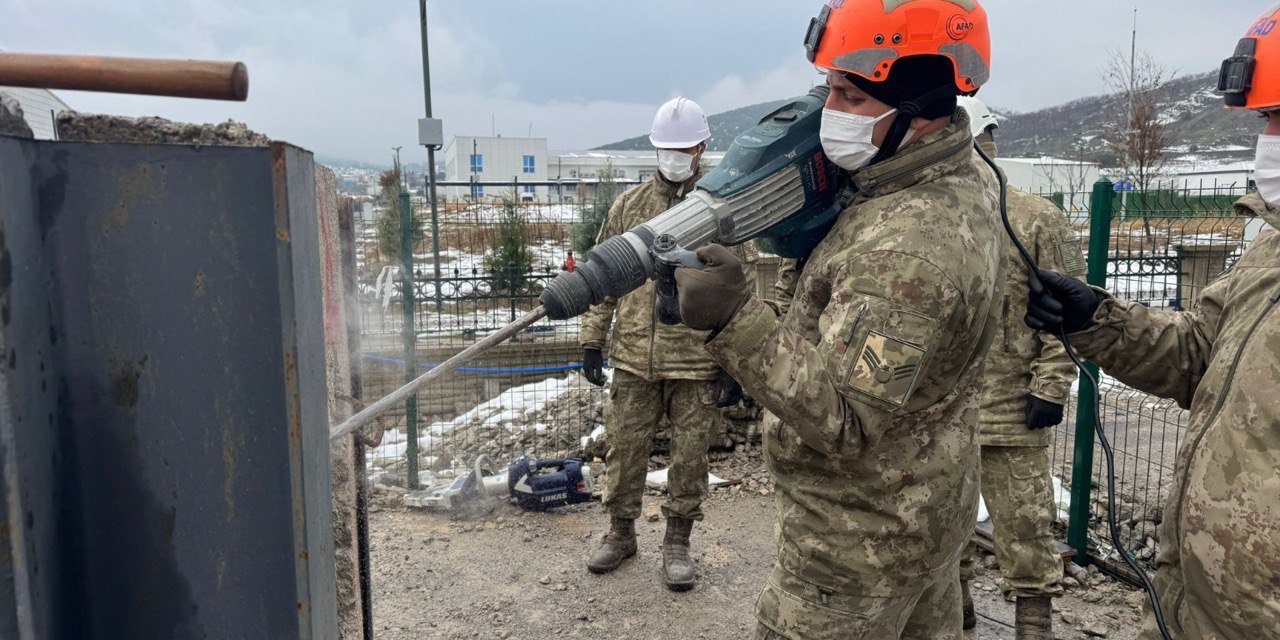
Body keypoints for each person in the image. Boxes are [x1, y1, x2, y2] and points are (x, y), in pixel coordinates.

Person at [674, 0, 1002, 637]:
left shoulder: (905, 248)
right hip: (920, 513)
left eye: (849, 95)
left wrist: (734, 320)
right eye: (827, 91)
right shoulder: (949, 181)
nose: (830, 113)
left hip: (856, 549)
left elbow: (846, 419)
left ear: (919, 106)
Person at [1025, 7, 1280, 639]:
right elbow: (1198, 354)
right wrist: (1098, 319)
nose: (1267, 140)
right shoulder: (1271, 250)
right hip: (1190, 605)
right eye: (1265, 120)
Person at [580, 96, 756, 591]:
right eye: (665, 148)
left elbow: (741, 288)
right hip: (635, 357)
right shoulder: (629, 207)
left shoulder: (720, 212)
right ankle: (620, 534)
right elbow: (600, 278)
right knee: (625, 450)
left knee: (689, 458)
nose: (674, 156)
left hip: (697, 361)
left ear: (701, 147)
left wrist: (735, 362)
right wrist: (593, 340)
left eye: (683, 147)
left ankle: (677, 542)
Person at [955, 96, 1084, 640]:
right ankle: (953, 608)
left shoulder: (1035, 219)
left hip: (1012, 406)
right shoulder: (935, 218)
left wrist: (1052, 384)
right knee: (942, 524)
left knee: (1026, 526)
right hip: (941, 411)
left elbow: (1069, 314)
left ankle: (1034, 621)